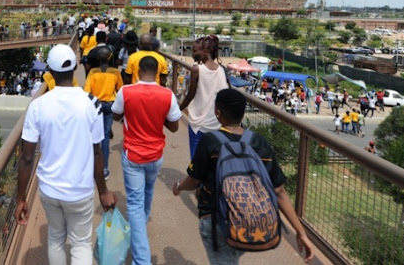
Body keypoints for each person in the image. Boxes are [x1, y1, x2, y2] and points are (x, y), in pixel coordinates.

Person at [171, 89, 315, 265]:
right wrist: (300, 232)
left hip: (216, 220)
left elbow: (194, 180)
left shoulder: (210, 141)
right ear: (242, 113)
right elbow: (280, 192)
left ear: (218, 113)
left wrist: (178, 186)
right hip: (252, 222)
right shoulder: (259, 142)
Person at [15, 44, 117, 264]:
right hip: (80, 188)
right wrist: (103, 191)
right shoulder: (92, 104)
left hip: (49, 188)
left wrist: (21, 198)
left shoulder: (37, 106)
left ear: (49, 72)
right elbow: (97, 153)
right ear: (77, 67)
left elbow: (26, 157)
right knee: (80, 243)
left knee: (55, 238)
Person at [112, 56, 181, 264]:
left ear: (139, 71)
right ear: (158, 73)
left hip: (133, 154)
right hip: (155, 155)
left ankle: (141, 260)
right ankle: (139, 231)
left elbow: (115, 115)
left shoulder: (126, 92)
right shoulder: (167, 95)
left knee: (134, 203)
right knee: (147, 193)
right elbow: (175, 126)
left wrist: (130, 115)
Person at [179, 35, 229, 160]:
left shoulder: (197, 69)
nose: (192, 53)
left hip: (199, 123)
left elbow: (190, 95)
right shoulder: (221, 70)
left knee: (196, 159)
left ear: (205, 52)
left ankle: (195, 178)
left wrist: (178, 108)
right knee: (212, 158)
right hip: (216, 122)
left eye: (195, 51)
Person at [84, 46, 124, 180]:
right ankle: (105, 168)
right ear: (110, 58)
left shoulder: (92, 72)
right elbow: (120, 89)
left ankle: (91, 166)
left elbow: (87, 91)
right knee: (105, 136)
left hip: (96, 105)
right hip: (109, 105)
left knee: (92, 136)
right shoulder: (115, 73)